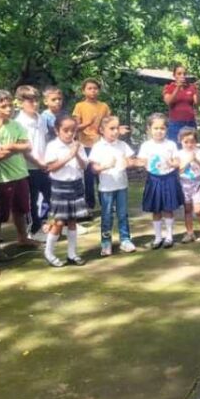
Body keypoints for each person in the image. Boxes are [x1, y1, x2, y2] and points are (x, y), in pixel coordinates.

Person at [0, 90, 39, 260]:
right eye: (3, 106)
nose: (8, 109)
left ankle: (22, 238)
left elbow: (28, 146)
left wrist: (10, 147)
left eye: (10, 105)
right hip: (1, 178)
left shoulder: (16, 125)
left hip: (20, 174)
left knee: (21, 209)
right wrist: (16, 146)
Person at [43, 116, 89, 267]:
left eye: (73, 130)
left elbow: (83, 166)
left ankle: (72, 253)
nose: (70, 134)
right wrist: (69, 155)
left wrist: (76, 153)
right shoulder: (52, 146)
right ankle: (49, 252)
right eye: (66, 130)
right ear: (57, 131)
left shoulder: (78, 145)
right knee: (59, 221)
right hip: (59, 186)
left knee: (72, 221)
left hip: (76, 185)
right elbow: (51, 167)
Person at [89, 116, 137, 256]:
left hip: (122, 186)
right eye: (111, 128)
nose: (115, 131)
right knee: (107, 216)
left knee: (123, 214)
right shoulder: (98, 147)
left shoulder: (122, 145)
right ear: (102, 130)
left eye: (117, 128)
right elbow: (93, 168)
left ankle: (125, 240)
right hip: (106, 188)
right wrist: (105, 166)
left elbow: (131, 161)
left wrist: (129, 163)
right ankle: (106, 243)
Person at [137, 113, 184, 249]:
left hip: (169, 178)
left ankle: (169, 237)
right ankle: (158, 237)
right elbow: (141, 161)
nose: (159, 131)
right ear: (149, 129)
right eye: (156, 128)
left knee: (168, 208)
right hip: (153, 179)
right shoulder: (146, 145)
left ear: (166, 129)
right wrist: (135, 162)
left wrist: (173, 163)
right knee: (156, 209)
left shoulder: (171, 144)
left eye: (162, 128)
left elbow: (177, 161)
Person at [14, 85, 51, 242]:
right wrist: (37, 162)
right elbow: (24, 149)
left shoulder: (40, 118)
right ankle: (34, 229)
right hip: (28, 166)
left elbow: (45, 139)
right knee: (32, 199)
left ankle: (44, 224)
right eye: (30, 101)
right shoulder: (19, 122)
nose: (34, 104)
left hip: (44, 164)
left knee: (49, 196)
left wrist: (46, 160)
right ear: (21, 102)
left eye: (36, 100)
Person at [72, 78, 111, 210]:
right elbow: (75, 128)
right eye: (89, 88)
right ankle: (89, 205)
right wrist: (89, 123)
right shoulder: (79, 106)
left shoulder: (104, 106)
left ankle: (106, 203)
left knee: (103, 175)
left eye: (95, 88)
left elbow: (108, 124)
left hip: (100, 145)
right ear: (83, 90)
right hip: (85, 146)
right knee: (88, 178)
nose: (93, 91)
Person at [177, 127, 200, 243]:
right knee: (187, 210)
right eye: (186, 142)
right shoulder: (179, 154)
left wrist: (195, 159)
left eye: (192, 141)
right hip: (184, 184)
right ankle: (190, 233)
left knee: (198, 210)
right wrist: (187, 161)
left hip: (198, 183)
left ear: (196, 141)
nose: (189, 144)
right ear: (181, 141)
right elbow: (179, 170)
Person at [162, 65, 200, 145]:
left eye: (184, 74)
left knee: (190, 146)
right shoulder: (169, 87)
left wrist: (197, 90)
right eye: (179, 74)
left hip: (190, 122)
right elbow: (168, 102)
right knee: (174, 146)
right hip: (175, 123)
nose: (182, 76)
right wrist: (177, 87)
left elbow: (198, 103)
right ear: (174, 75)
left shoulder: (191, 87)